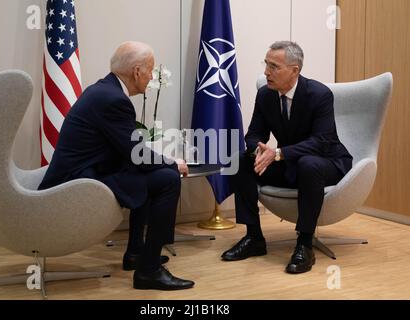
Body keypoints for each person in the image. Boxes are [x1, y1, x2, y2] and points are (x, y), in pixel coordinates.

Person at [38, 41, 194, 290]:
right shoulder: (112, 99)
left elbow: (129, 152)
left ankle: (136, 253)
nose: (151, 77)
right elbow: (135, 154)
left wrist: (163, 163)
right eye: (150, 70)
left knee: (156, 172)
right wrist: (172, 163)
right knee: (168, 179)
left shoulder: (105, 90)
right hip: (77, 184)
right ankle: (149, 271)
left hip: (88, 173)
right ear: (137, 72)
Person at [221, 41, 353, 273]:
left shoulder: (319, 94)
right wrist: (259, 150)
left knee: (308, 163)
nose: (266, 72)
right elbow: (254, 134)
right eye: (266, 64)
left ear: (295, 70)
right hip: (291, 164)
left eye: (274, 66)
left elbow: (321, 141)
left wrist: (279, 153)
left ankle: (304, 244)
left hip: (327, 162)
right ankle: (254, 238)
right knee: (241, 160)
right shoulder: (265, 95)